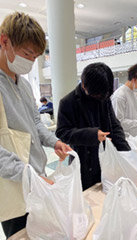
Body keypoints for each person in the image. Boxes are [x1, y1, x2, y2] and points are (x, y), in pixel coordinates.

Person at [0, 12, 71, 238]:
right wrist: (27, 175)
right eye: (27, 54)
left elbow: (35, 122)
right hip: (12, 184)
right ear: (4, 41)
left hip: (37, 177)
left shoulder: (24, 85)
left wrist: (54, 141)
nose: (31, 62)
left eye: (36, 57)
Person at [56, 62, 130, 191]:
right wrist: (92, 135)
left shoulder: (104, 97)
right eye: (96, 95)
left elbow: (114, 124)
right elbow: (63, 132)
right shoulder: (68, 102)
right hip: (84, 162)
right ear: (84, 85)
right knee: (88, 198)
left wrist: (125, 153)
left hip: (106, 159)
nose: (100, 98)